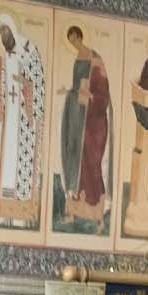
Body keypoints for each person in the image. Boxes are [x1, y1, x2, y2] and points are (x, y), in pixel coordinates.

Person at [0, 17, 45, 225]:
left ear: (13, 29)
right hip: (9, 120)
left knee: (22, 169)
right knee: (6, 163)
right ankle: (4, 213)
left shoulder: (29, 51)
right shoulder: (6, 56)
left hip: (25, 123)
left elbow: (38, 82)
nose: (3, 35)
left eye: (6, 31)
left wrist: (25, 83)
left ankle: (21, 217)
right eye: (0, 32)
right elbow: (1, 85)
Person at [58, 25, 110, 222]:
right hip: (77, 116)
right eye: (71, 41)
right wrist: (69, 92)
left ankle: (95, 212)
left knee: (90, 163)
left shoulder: (95, 59)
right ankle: (73, 210)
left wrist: (90, 95)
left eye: (75, 39)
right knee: (73, 156)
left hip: (92, 121)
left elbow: (102, 93)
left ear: (81, 37)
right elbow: (77, 87)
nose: (74, 44)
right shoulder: (77, 58)